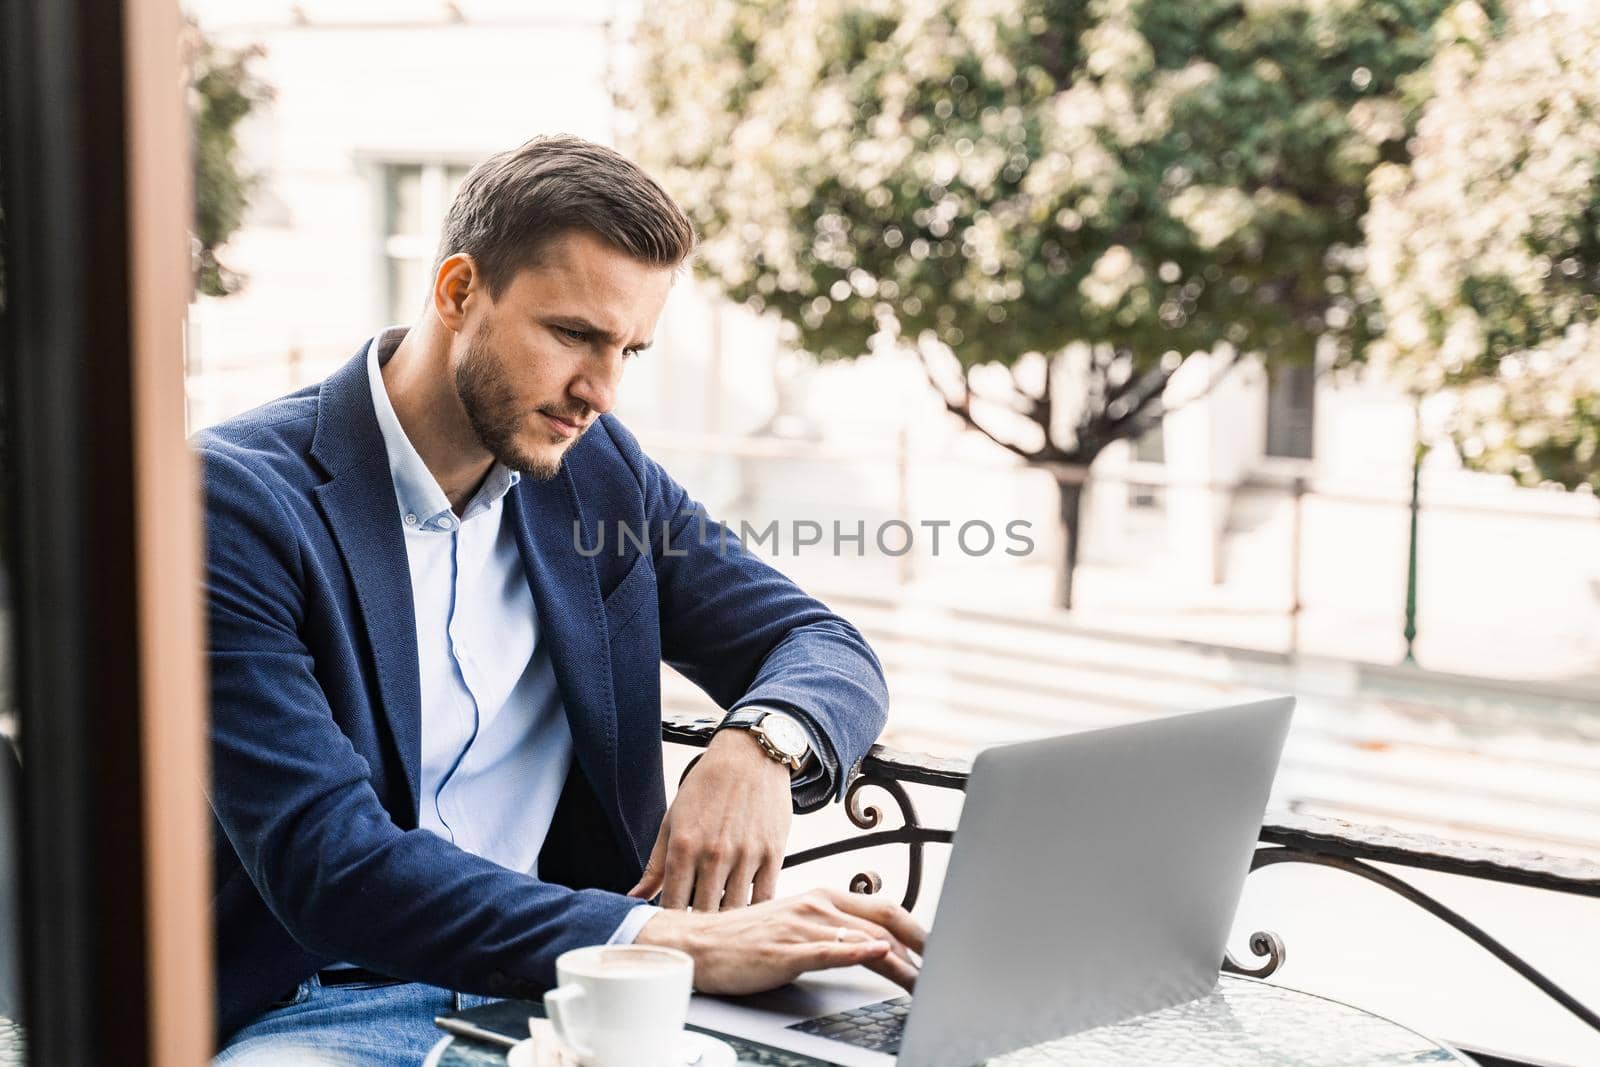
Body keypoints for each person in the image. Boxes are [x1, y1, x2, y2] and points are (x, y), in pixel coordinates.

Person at [199, 135, 924, 1065]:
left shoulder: (597, 472)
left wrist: (760, 744)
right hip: (328, 1002)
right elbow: (330, 862)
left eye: (628, 348)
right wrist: (678, 942)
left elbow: (818, 640)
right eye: (575, 335)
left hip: (590, 1004)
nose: (601, 391)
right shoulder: (234, 500)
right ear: (459, 291)